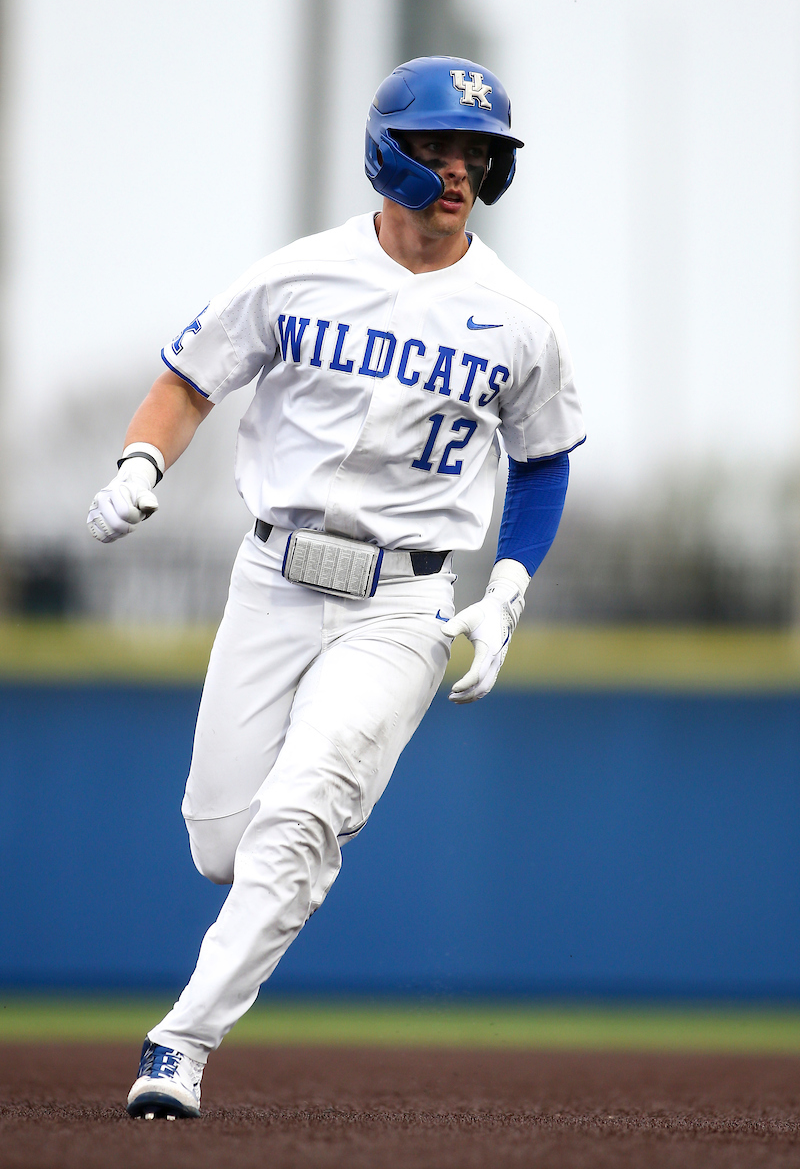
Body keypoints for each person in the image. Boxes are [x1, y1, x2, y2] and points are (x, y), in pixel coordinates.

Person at [87, 55, 585, 1120]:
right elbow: (187, 379)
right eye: (437, 147)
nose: (457, 172)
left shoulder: (518, 317)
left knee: (302, 815)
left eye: (477, 154)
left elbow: (542, 460)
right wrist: (142, 462)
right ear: (384, 150)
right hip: (272, 577)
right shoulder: (295, 274)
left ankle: (181, 1042)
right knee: (223, 843)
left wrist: (505, 586)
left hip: (402, 600)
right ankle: (287, 854)